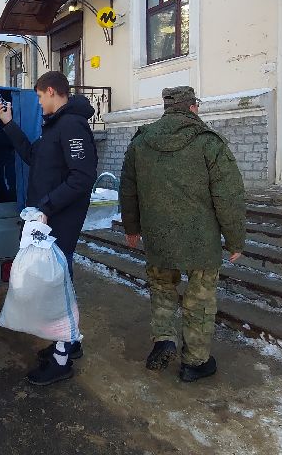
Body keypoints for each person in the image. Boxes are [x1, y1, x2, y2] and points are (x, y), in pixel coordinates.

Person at [119, 86, 246, 382]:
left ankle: (164, 338)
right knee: (199, 300)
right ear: (192, 107)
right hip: (202, 241)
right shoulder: (208, 142)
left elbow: (128, 188)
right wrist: (235, 238)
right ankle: (195, 362)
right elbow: (229, 196)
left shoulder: (141, 141)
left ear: (166, 108)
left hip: (158, 237)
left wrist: (132, 228)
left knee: (162, 289)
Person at [0, 71, 97, 386]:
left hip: (59, 221)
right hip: (48, 221)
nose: (38, 102)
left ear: (51, 91)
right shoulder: (55, 127)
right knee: (59, 281)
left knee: (57, 283)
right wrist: (8, 123)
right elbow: (32, 156)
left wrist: (47, 208)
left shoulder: (72, 125)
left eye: (39, 96)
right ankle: (68, 342)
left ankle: (61, 360)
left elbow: (82, 177)